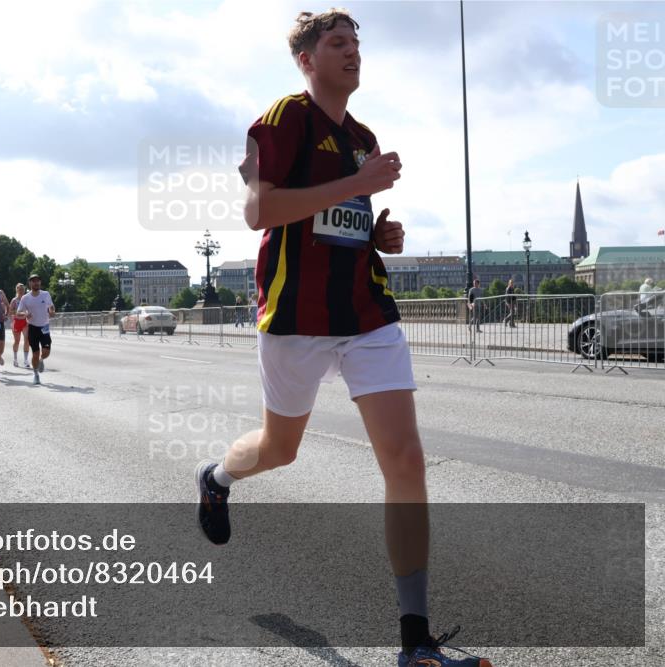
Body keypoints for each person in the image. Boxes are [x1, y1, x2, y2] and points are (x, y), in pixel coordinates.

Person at [195, 10, 492, 667]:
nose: (353, 51)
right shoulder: (280, 120)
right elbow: (257, 211)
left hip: (365, 315)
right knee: (279, 449)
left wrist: (379, 232)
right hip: (296, 318)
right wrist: (357, 185)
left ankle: (414, 641)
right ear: (307, 59)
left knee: (406, 461)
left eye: (357, 42)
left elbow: (345, 217)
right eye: (338, 43)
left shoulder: (362, 135)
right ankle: (216, 477)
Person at [17, 274, 55, 385]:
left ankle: (41, 360)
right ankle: (36, 375)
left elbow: (51, 306)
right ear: (30, 283)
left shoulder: (46, 294)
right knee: (35, 353)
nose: (36, 283)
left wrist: (52, 311)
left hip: (44, 327)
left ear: (40, 283)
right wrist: (25, 314)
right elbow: (19, 312)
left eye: (38, 281)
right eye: (33, 281)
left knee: (46, 352)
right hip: (33, 328)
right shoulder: (25, 298)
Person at [9, 283, 30, 367]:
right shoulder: (14, 300)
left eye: (23, 289)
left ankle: (25, 360)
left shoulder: (27, 299)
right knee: (17, 341)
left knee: (27, 340)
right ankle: (15, 359)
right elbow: (10, 311)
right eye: (20, 289)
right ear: (17, 290)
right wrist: (18, 313)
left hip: (25, 321)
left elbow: (30, 309)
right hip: (17, 321)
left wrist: (28, 313)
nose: (21, 291)